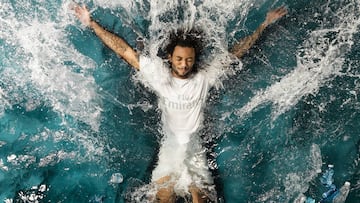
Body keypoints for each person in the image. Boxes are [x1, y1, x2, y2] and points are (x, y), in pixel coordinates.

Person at [73, 4, 287, 203]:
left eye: (188, 60)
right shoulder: (158, 76)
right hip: (169, 150)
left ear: (194, 59)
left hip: (196, 153)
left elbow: (237, 52)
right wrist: (91, 23)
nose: (184, 65)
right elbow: (125, 51)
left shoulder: (204, 78)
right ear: (170, 57)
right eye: (179, 59)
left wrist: (264, 24)